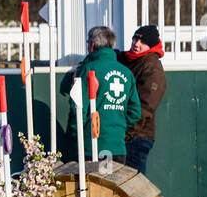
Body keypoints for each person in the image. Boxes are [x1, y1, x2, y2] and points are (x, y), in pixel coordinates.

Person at [61, 25, 140, 165]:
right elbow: (135, 112)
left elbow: (78, 108)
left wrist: (75, 134)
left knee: (93, 187)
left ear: (92, 46)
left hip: (91, 147)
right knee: (112, 186)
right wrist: (118, 128)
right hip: (117, 146)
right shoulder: (127, 73)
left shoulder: (88, 69)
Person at [118, 25, 166, 175]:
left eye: (142, 41)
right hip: (127, 135)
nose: (136, 44)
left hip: (136, 137)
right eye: (135, 38)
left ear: (150, 46)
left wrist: (125, 134)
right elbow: (109, 55)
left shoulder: (152, 68)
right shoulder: (131, 59)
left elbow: (144, 108)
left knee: (133, 187)